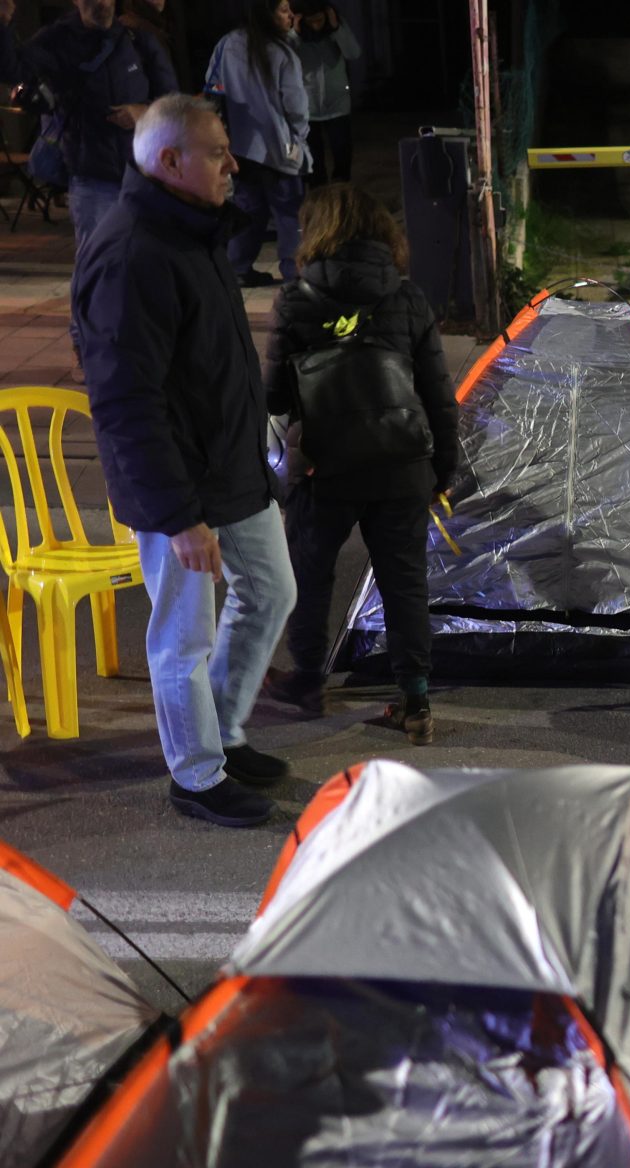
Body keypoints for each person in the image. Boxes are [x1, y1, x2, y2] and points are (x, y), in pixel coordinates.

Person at [71, 93, 297, 826]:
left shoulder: (190, 232)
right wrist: (178, 517)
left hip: (233, 470)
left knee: (271, 593)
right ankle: (196, 776)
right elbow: (127, 404)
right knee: (183, 636)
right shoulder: (133, 252)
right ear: (171, 161)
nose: (234, 165)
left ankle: (223, 737)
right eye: (217, 153)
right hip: (182, 490)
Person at [261, 185, 458, 745]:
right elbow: (439, 396)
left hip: (324, 469)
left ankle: (306, 684)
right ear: (381, 235)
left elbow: (273, 397)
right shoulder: (408, 299)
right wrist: (443, 469)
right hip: (402, 467)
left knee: (311, 575)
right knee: (404, 583)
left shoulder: (296, 300)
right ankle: (415, 700)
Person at [0, 0, 176, 367]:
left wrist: (142, 112)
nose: (102, 4)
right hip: (92, 177)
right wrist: (3, 24)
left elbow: (172, 100)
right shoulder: (58, 40)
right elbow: (11, 68)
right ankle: (88, 348)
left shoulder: (136, 40)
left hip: (142, 177)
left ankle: (137, 344)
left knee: (143, 263)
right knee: (96, 267)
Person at [207, 0, 307, 286]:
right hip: (280, 148)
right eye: (284, 9)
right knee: (289, 212)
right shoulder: (282, 53)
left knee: (248, 208)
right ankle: (293, 271)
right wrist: (299, 138)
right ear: (268, 13)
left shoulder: (227, 44)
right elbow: (296, 106)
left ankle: (238, 268)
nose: (291, 15)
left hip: (240, 146)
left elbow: (213, 88)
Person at [292, 0, 356, 186]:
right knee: (313, 159)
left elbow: (353, 53)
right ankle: (319, 195)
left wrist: (336, 28)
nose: (316, 25)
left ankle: (341, 190)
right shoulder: (295, 34)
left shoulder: (335, 28)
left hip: (337, 104)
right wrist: (295, 33)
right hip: (308, 107)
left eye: (319, 20)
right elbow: (281, 57)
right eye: (311, 21)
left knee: (342, 151)